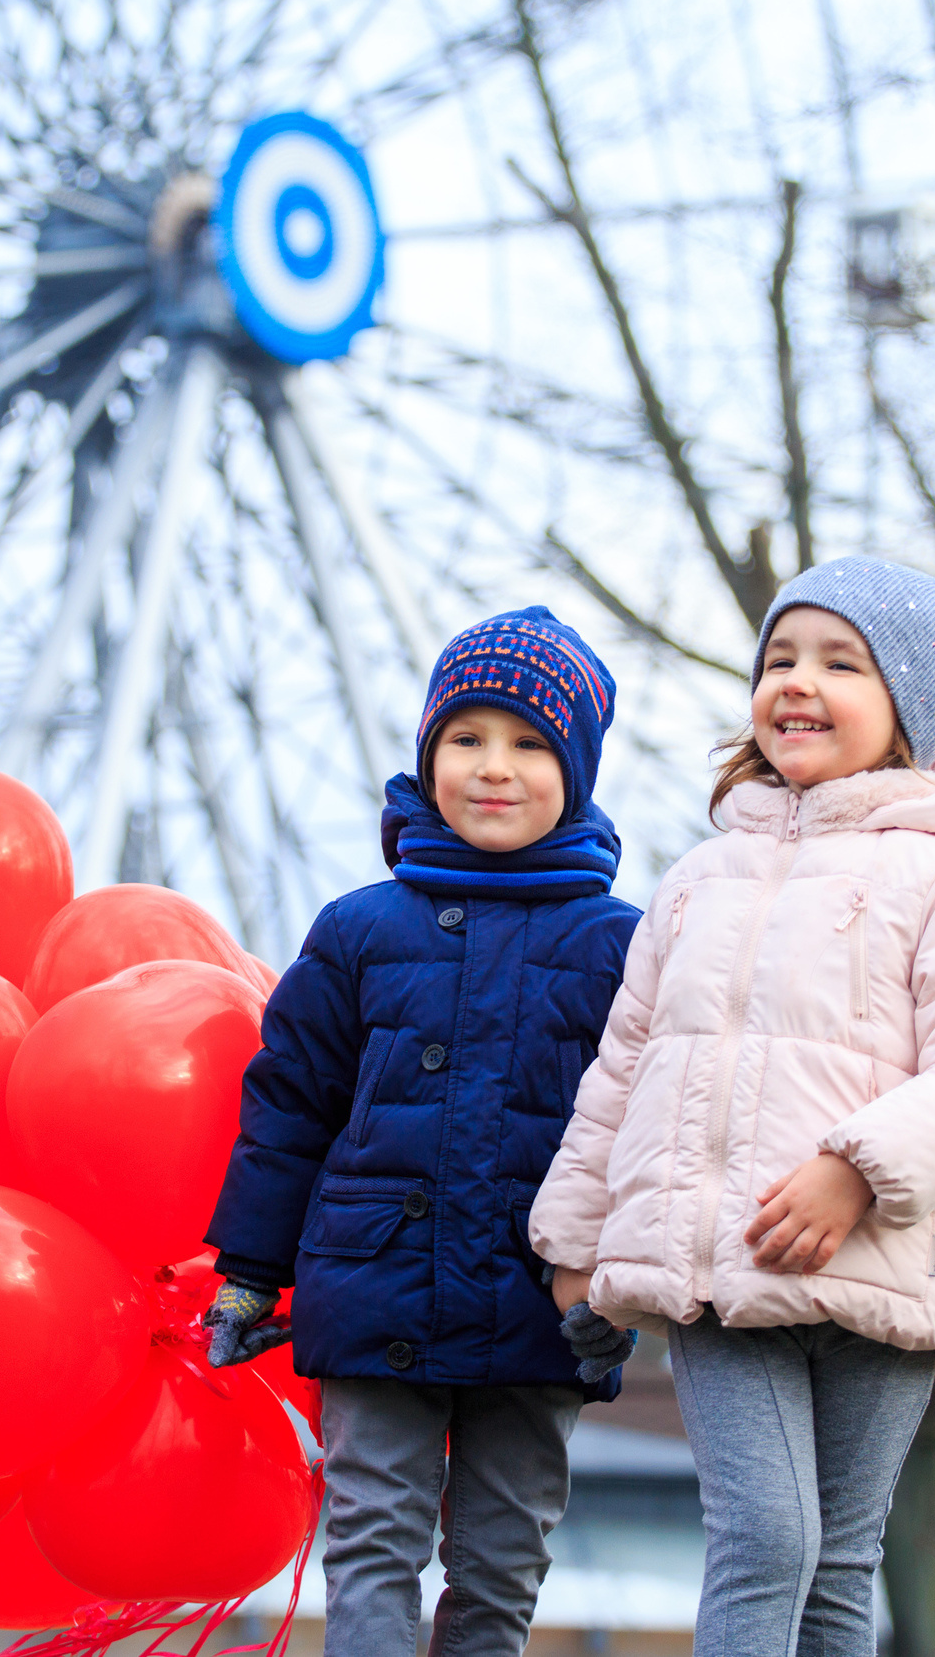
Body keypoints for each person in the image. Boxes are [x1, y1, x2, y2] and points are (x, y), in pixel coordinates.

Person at [529, 556, 935, 1657]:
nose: (797, 681)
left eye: (840, 663)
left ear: (907, 708)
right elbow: (623, 1069)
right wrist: (574, 1239)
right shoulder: (697, 880)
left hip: (882, 1260)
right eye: (780, 658)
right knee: (768, 1538)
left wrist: (855, 1168)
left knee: (841, 1563)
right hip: (725, 1264)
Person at [199, 607, 642, 1657]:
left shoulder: (623, 945)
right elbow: (291, 1105)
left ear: (576, 771)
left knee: (501, 1559)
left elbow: (650, 1131)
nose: (494, 767)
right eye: (467, 737)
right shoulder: (359, 928)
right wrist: (250, 1271)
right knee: (372, 1542)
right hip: (374, 1281)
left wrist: (624, 1284)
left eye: (530, 744)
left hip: (540, 1307)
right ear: (429, 751)